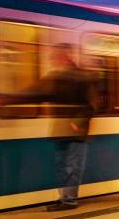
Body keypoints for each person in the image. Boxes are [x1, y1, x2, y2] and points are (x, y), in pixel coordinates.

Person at [29, 44, 95, 211]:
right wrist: (5, 99)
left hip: (75, 132)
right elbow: (35, 92)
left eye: (55, 56)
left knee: (73, 166)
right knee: (61, 166)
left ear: (65, 56)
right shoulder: (55, 77)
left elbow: (93, 103)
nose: (52, 60)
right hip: (60, 131)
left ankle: (70, 200)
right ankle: (63, 197)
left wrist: (77, 122)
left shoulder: (82, 77)